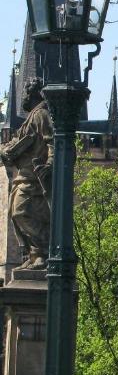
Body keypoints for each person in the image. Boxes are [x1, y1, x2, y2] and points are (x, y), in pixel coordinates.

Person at [1, 78, 52, 270]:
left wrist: (50, 164)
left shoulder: (41, 115)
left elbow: (52, 141)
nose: (24, 97)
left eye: (27, 93)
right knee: (15, 214)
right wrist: (5, 151)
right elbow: (13, 141)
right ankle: (35, 255)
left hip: (33, 177)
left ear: (34, 94)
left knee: (21, 211)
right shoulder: (31, 117)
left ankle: (43, 252)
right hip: (23, 175)